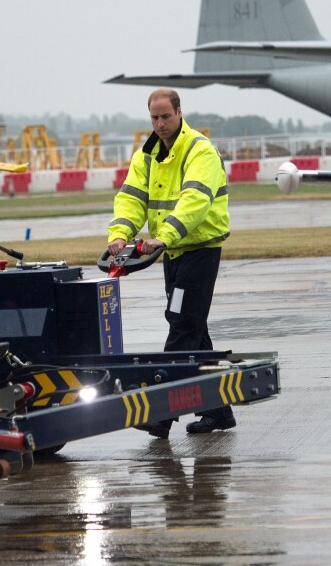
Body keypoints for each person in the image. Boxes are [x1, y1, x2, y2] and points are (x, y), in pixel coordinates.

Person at [107, 88, 233, 438]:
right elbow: (131, 198)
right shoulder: (146, 155)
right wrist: (120, 232)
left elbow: (195, 201)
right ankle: (217, 411)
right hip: (171, 252)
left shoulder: (199, 150)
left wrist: (165, 236)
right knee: (194, 331)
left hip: (197, 250)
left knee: (181, 326)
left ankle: (161, 414)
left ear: (179, 112)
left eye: (165, 116)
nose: (160, 124)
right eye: (154, 118)